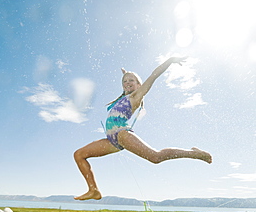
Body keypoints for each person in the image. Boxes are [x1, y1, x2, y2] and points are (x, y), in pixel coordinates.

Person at [74, 56, 212, 201]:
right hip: (111, 140)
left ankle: (195, 153)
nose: (127, 83)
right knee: (79, 155)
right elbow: (129, 83)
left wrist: (170, 61)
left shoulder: (136, 96)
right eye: (124, 81)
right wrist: (126, 74)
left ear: (139, 85)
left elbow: (154, 75)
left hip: (122, 134)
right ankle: (93, 190)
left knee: (155, 157)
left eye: (131, 81)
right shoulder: (123, 96)